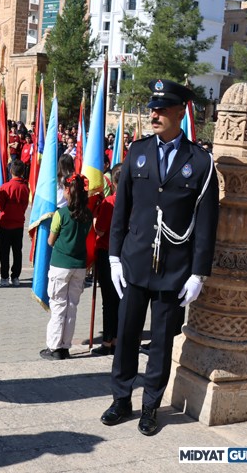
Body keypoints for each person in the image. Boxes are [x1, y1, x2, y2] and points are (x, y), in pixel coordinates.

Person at [101, 79, 219, 437]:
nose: (154, 113)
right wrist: (114, 257)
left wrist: (199, 273)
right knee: (126, 334)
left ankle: (150, 405)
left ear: (180, 112)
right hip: (135, 261)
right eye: (152, 107)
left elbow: (206, 222)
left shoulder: (199, 162)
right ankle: (121, 399)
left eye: (163, 108)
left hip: (174, 268)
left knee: (162, 342)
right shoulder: (136, 151)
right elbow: (122, 209)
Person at [40, 173, 92, 360]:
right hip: (79, 265)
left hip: (61, 264)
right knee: (72, 307)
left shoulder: (61, 214)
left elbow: (51, 240)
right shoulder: (87, 213)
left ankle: (54, 346)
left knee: (58, 306)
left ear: (68, 191)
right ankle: (65, 346)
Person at [92, 164, 122, 356]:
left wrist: (95, 220)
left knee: (108, 301)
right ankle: (119, 340)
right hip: (125, 256)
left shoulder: (109, 202)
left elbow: (101, 230)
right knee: (120, 299)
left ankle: (107, 342)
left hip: (107, 254)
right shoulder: (135, 201)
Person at [0, 160, 30, 287]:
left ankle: (4, 277)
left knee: (4, 251)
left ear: (10, 171)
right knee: (17, 251)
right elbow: (25, 205)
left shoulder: (6, 187)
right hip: (19, 223)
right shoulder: (25, 188)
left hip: (5, 223)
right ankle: (15, 277)